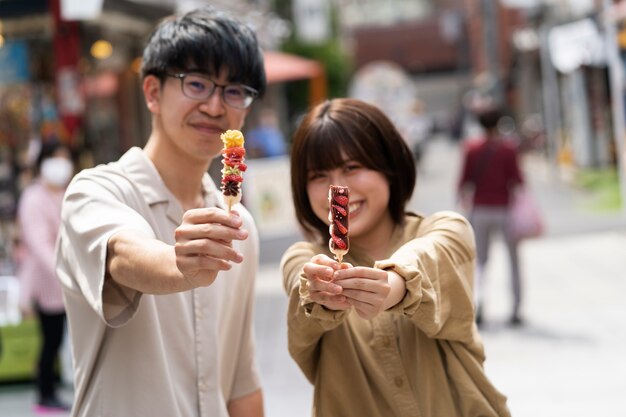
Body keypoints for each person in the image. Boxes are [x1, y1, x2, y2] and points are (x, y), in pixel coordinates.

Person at [56, 7, 266, 417]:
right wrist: (178, 263)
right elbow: (121, 255)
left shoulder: (242, 228)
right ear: (152, 92)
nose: (215, 106)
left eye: (234, 91)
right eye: (198, 84)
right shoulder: (97, 192)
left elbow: (241, 380)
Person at [281, 98, 510, 417]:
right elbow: (299, 283)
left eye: (352, 167)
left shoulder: (446, 230)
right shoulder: (304, 259)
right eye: (318, 175)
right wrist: (319, 292)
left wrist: (397, 284)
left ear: (388, 166)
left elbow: (433, 257)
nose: (338, 189)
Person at [17, 140, 74, 413]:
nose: (61, 164)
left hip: (67, 280)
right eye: (56, 158)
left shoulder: (67, 193)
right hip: (46, 281)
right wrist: (63, 270)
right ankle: (45, 392)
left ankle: (51, 388)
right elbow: (39, 244)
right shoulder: (33, 198)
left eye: (65, 157)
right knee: (50, 338)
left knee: (59, 337)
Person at [457, 107, 524, 326]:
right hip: (504, 209)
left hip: (480, 210)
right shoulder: (508, 149)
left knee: (480, 262)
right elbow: (518, 181)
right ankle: (515, 309)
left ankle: (480, 305)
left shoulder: (471, 149)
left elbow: (463, 182)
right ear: (499, 123)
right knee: (513, 260)